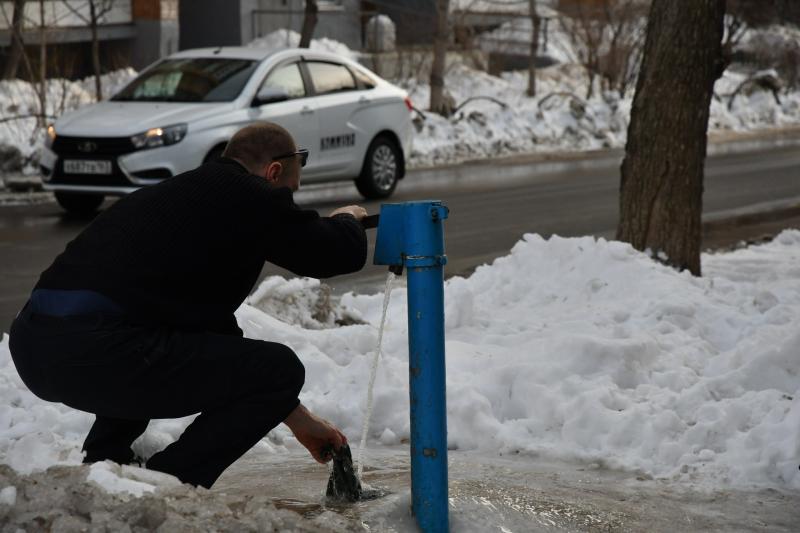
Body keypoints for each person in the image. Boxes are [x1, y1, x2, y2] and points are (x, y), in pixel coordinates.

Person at [9, 122, 369, 489]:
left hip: (35, 346)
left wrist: (297, 418)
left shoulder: (183, 197)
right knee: (281, 368)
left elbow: (210, 339)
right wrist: (348, 221)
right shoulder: (250, 194)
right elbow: (332, 253)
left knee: (152, 340)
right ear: (273, 173)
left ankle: (106, 465)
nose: (286, 206)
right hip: (95, 346)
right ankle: (167, 486)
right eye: (288, 194)